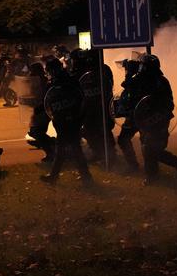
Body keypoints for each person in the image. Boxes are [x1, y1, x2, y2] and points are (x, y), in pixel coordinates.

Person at [125, 54, 177, 184]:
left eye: (142, 65)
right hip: (149, 120)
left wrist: (157, 112)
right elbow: (128, 88)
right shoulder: (147, 80)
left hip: (158, 120)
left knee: (149, 148)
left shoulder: (159, 82)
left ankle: (153, 177)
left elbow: (169, 103)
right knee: (152, 149)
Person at [40, 57, 92, 185]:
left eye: (49, 70)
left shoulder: (64, 82)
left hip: (68, 120)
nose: (48, 73)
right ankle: (85, 176)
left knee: (67, 148)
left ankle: (55, 176)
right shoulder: (68, 80)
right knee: (70, 148)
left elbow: (80, 99)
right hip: (67, 119)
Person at [73, 48, 116, 165]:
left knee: (105, 130)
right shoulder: (85, 70)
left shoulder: (104, 69)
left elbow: (109, 85)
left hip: (103, 105)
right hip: (90, 107)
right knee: (90, 130)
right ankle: (99, 152)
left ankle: (110, 155)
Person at [114, 57, 143, 171]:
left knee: (123, 139)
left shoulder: (135, 80)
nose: (125, 71)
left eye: (127, 69)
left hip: (136, 117)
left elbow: (127, 86)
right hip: (136, 116)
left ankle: (134, 165)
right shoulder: (138, 79)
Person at [23, 61, 55, 160]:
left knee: (37, 132)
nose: (30, 73)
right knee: (35, 132)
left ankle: (52, 151)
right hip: (38, 110)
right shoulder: (35, 82)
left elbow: (43, 97)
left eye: (32, 71)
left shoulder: (44, 82)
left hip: (43, 110)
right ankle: (55, 145)